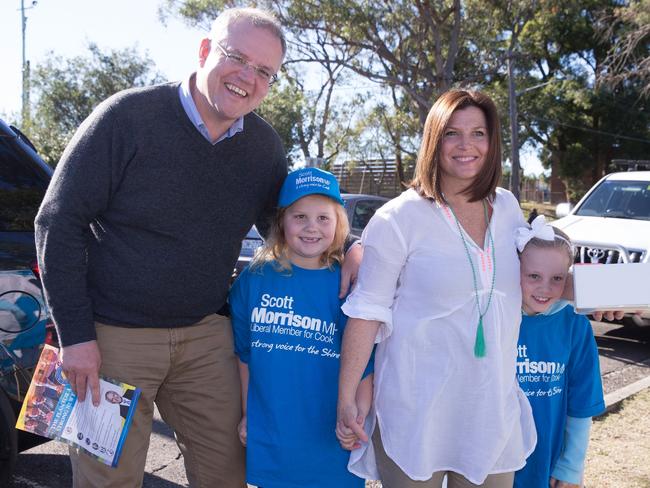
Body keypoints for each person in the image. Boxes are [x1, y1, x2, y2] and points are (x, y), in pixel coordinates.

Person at [34, 7, 295, 487]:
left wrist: (349, 256)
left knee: (230, 471)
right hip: (111, 337)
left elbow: (289, 233)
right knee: (105, 481)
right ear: (203, 51)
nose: (247, 77)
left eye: (264, 71)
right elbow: (57, 220)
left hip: (204, 334)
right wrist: (75, 337)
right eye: (237, 57)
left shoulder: (264, 149)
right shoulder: (127, 118)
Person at [337, 89, 538, 487]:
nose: (467, 145)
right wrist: (346, 398)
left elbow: (528, 287)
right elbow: (366, 312)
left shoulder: (509, 208)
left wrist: (598, 297)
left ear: (492, 141)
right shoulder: (398, 217)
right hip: (415, 416)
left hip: (489, 413)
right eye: (452, 133)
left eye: (478, 133)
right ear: (433, 140)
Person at [229, 167, 373, 488]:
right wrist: (247, 412)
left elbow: (366, 363)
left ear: (339, 224)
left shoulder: (349, 284)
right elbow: (244, 355)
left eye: (323, 218)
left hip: (330, 439)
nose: (311, 228)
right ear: (282, 221)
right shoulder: (255, 279)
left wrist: (357, 415)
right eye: (300, 217)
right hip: (275, 437)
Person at [514, 216, 605, 488]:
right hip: (488, 464)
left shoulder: (575, 325)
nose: (545, 288)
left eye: (557, 278)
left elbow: (581, 403)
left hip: (545, 463)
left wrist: (571, 466)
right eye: (533, 276)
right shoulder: (495, 318)